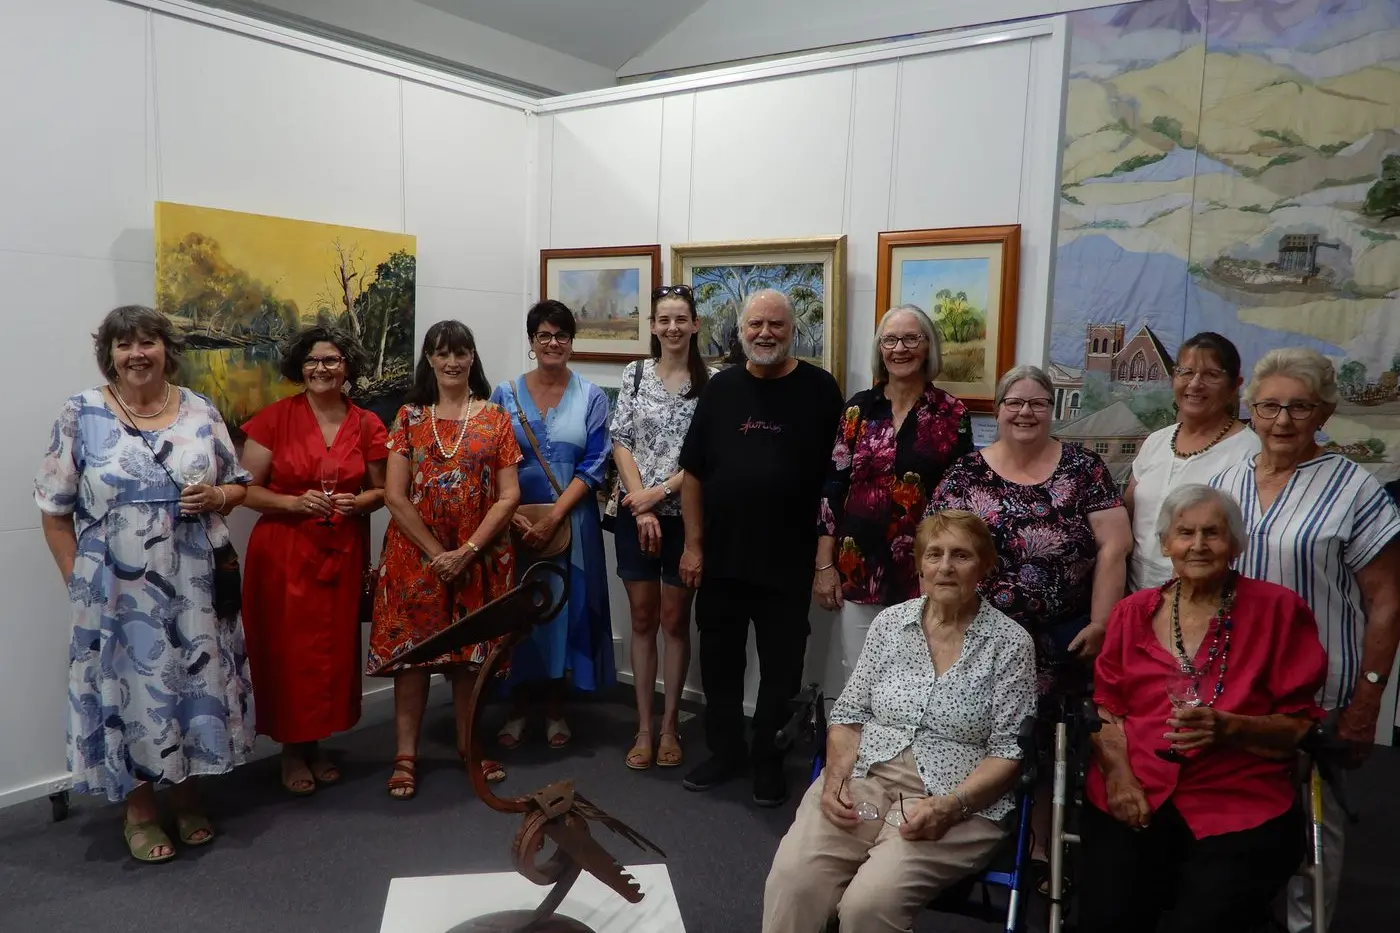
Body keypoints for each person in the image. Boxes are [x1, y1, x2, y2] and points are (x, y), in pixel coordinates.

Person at [35, 305, 254, 863]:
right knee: (127, 690)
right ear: (109, 354)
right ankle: (138, 809)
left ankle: (187, 794)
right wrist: (78, 584)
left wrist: (219, 497)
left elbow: (239, 485)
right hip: (115, 590)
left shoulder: (201, 410)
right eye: (124, 344)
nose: (137, 354)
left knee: (191, 682)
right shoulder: (79, 414)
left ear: (165, 349)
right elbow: (54, 512)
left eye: (147, 342)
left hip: (196, 583)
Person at [763, 510, 1036, 933]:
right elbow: (851, 713)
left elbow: (1008, 751)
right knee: (794, 881)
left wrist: (950, 807)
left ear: (984, 566)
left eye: (961, 555)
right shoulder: (891, 623)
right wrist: (836, 778)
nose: (945, 566)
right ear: (920, 566)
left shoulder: (1011, 643)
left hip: (954, 800)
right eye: (934, 555)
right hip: (865, 777)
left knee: (867, 906)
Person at [1208, 347, 1400, 933]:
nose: (1283, 421)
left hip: (1319, 688)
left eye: (1299, 407)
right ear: (1251, 410)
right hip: (1232, 683)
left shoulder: (1354, 488)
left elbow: (1387, 600)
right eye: (1269, 406)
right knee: (1234, 819)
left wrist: (1368, 702)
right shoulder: (1224, 480)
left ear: (1324, 413)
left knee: (1312, 830)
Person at [1079, 484, 1327, 933]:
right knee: (1106, 919)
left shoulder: (1278, 610)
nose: (1197, 545)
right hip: (1136, 789)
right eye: (1185, 533)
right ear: (1165, 543)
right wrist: (1118, 777)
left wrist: (1230, 728)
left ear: (1233, 544)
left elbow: (1299, 726)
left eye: (1212, 534)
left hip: (1238, 799)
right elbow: (1106, 711)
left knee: (1204, 923)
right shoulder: (1132, 612)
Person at [677, 288, 844, 806]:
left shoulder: (820, 389)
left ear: (793, 331)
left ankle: (768, 759)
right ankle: (725, 752)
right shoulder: (721, 389)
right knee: (720, 663)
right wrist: (693, 547)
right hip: (723, 559)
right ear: (740, 331)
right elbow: (693, 474)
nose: (765, 333)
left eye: (776, 325)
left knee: (781, 669)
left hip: (788, 562)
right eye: (755, 325)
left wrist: (824, 562)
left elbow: (834, 483)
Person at [366, 321, 523, 799]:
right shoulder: (409, 417)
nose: (451, 361)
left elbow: (509, 495)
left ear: (472, 357)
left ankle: (467, 745)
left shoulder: (495, 417)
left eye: (460, 352)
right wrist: (439, 555)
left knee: (469, 659)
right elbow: (394, 495)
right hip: (415, 558)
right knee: (412, 659)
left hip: (478, 555)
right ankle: (405, 755)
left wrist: (468, 550)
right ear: (429, 359)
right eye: (441, 353)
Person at [239, 326, 388, 795]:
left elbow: (382, 490)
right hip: (283, 554)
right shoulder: (272, 420)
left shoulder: (367, 423)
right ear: (299, 368)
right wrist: (292, 503)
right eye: (312, 361)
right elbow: (246, 489)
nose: (321, 369)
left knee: (329, 652)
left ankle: (315, 741)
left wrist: (357, 503)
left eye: (331, 360)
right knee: (288, 653)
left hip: (340, 552)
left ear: (348, 367)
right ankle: (291, 749)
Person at [928, 365, 1132, 684]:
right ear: (997, 410)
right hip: (978, 641)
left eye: (1038, 403)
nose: (1026, 412)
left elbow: (1115, 546)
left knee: (1059, 732)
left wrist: (1101, 623)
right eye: (1014, 403)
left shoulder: (1084, 468)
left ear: (1052, 410)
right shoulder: (965, 474)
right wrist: (936, 625)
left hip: (1068, 641)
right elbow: (932, 552)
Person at [815, 304, 972, 677]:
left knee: (921, 677)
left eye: (911, 338)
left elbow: (960, 499)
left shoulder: (951, 413)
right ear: (880, 349)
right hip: (858, 566)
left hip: (927, 571)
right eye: (890, 339)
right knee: (860, 674)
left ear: (928, 346)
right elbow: (833, 488)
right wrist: (824, 565)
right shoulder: (858, 409)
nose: (900, 348)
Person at [491, 300, 614, 749]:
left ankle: (557, 709)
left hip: (573, 524)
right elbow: (491, 459)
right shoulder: (504, 395)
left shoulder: (593, 396)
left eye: (561, 335)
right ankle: (518, 707)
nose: (553, 343)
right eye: (544, 335)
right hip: (514, 523)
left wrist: (556, 515)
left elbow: (597, 463)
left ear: (572, 343)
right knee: (519, 613)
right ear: (531, 342)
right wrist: (518, 517)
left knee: (566, 610)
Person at [610, 285, 713, 770]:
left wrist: (661, 494)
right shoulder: (632, 377)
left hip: (686, 517)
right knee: (643, 619)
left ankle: (672, 724)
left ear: (695, 325)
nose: (672, 328)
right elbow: (621, 442)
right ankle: (644, 727)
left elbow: (707, 456)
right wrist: (641, 505)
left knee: (675, 621)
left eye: (681, 319)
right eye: (663, 320)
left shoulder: (712, 383)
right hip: (637, 516)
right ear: (652, 326)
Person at [1126, 332, 1257, 591]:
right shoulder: (1156, 442)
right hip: (1137, 597)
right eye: (1186, 372)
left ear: (1234, 385)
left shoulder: (1250, 451)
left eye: (1210, 375)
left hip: (1205, 599)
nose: (1195, 384)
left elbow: (1246, 541)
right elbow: (1127, 516)